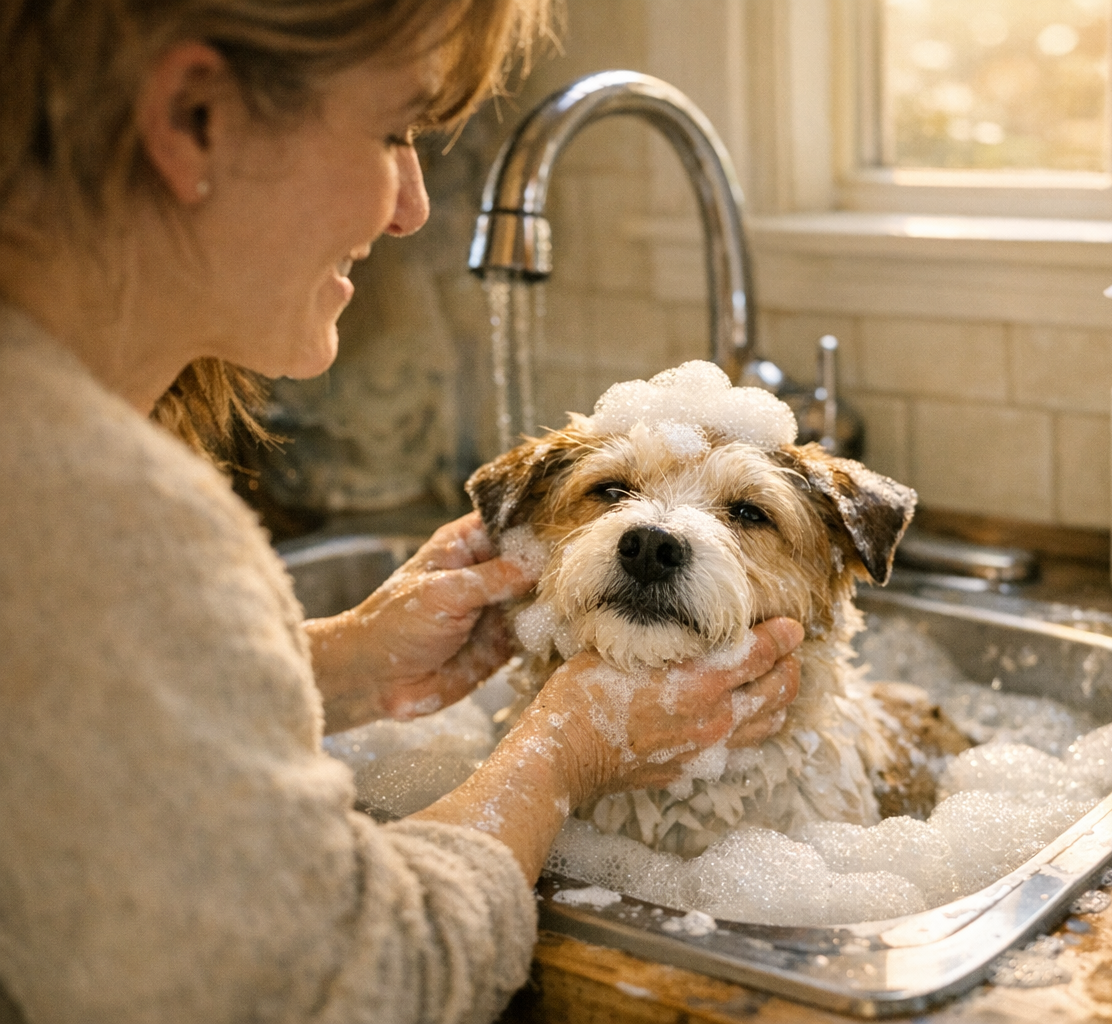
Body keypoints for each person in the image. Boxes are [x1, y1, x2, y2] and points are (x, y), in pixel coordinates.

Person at [0, 2, 803, 1022]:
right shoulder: (106, 512)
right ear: (195, 115)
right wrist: (558, 758)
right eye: (394, 134)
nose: (413, 207)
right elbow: (349, 986)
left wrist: (338, 662)